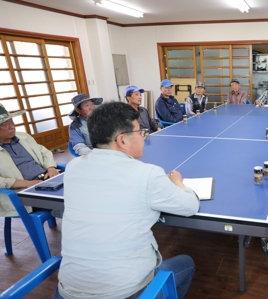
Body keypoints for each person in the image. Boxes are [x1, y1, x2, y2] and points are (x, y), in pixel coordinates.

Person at [53, 102, 199, 299]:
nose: (143, 136)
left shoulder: (73, 168)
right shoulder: (147, 174)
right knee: (186, 263)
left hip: (66, 292)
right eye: (140, 132)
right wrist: (179, 183)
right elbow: (190, 206)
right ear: (122, 140)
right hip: (125, 292)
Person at [0, 103, 60, 216]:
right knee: (72, 201)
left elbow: (44, 152)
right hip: (22, 192)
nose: (12, 126)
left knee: (84, 186)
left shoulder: (22, 136)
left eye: (11, 121)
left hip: (47, 179)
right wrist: (26, 183)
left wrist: (51, 167)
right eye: (4, 124)